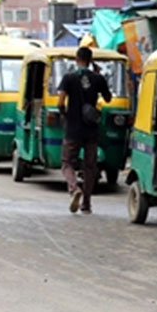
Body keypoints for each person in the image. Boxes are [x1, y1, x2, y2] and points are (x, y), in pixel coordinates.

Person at [57, 47, 112, 214]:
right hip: (91, 130)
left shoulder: (69, 78)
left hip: (73, 128)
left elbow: (60, 102)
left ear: (76, 59)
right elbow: (108, 98)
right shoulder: (98, 78)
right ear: (90, 60)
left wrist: (66, 115)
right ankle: (86, 205)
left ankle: (74, 188)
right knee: (90, 167)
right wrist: (98, 75)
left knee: (67, 162)